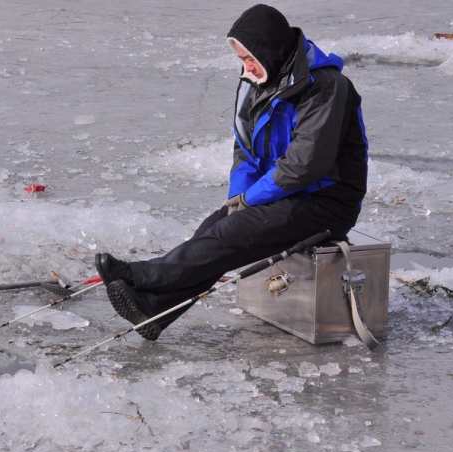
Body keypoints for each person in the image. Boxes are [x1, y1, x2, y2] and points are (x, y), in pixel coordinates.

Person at [95, 4, 368, 341]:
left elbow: (304, 166)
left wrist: (250, 199)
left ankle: (145, 275)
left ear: (270, 51)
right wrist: (236, 199)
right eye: (242, 60)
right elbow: (246, 151)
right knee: (216, 227)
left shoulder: (326, 88)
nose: (246, 67)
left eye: (250, 58)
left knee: (232, 233)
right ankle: (154, 308)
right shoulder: (261, 83)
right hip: (284, 194)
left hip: (327, 201)